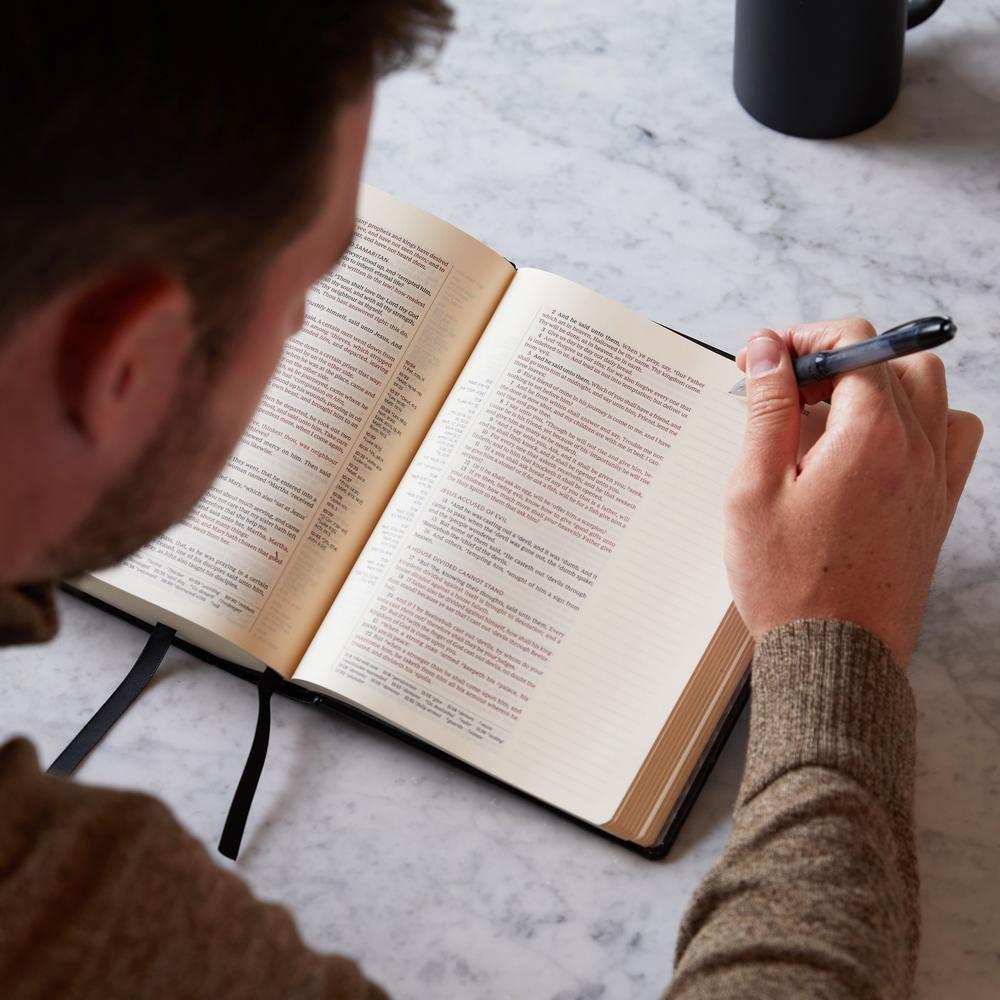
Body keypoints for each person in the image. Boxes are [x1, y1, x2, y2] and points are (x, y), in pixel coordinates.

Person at [0, 5, 983, 999]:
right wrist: (835, 638)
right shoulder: (53, 920)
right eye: (309, 284)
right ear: (123, 366)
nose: (304, 325)